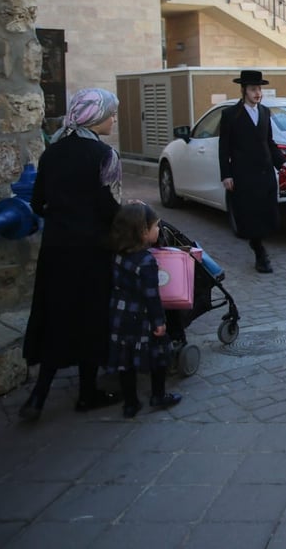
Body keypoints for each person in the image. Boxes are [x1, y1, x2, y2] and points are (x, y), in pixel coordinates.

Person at [20, 88, 123, 421]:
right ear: (95, 117)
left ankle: (38, 396)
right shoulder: (104, 155)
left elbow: (37, 204)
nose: (114, 119)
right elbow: (110, 209)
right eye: (111, 114)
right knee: (91, 319)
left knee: (58, 319)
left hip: (56, 251)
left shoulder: (51, 153)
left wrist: (63, 213)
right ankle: (87, 393)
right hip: (92, 252)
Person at [108, 202, 182, 418]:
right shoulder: (147, 261)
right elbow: (151, 296)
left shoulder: (117, 254)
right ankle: (158, 394)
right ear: (142, 231)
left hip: (119, 314)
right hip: (141, 317)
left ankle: (130, 403)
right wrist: (159, 322)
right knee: (158, 354)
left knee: (125, 360)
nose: (158, 230)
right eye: (156, 226)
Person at [219, 70, 285, 273]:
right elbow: (224, 148)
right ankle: (260, 253)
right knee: (250, 215)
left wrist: (282, 164)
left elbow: (269, 141)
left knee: (267, 213)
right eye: (253, 89)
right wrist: (226, 174)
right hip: (244, 174)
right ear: (244, 90)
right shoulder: (230, 115)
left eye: (259, 89)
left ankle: (260, 246)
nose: (258, 93)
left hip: (265, 172)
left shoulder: (265, 112)